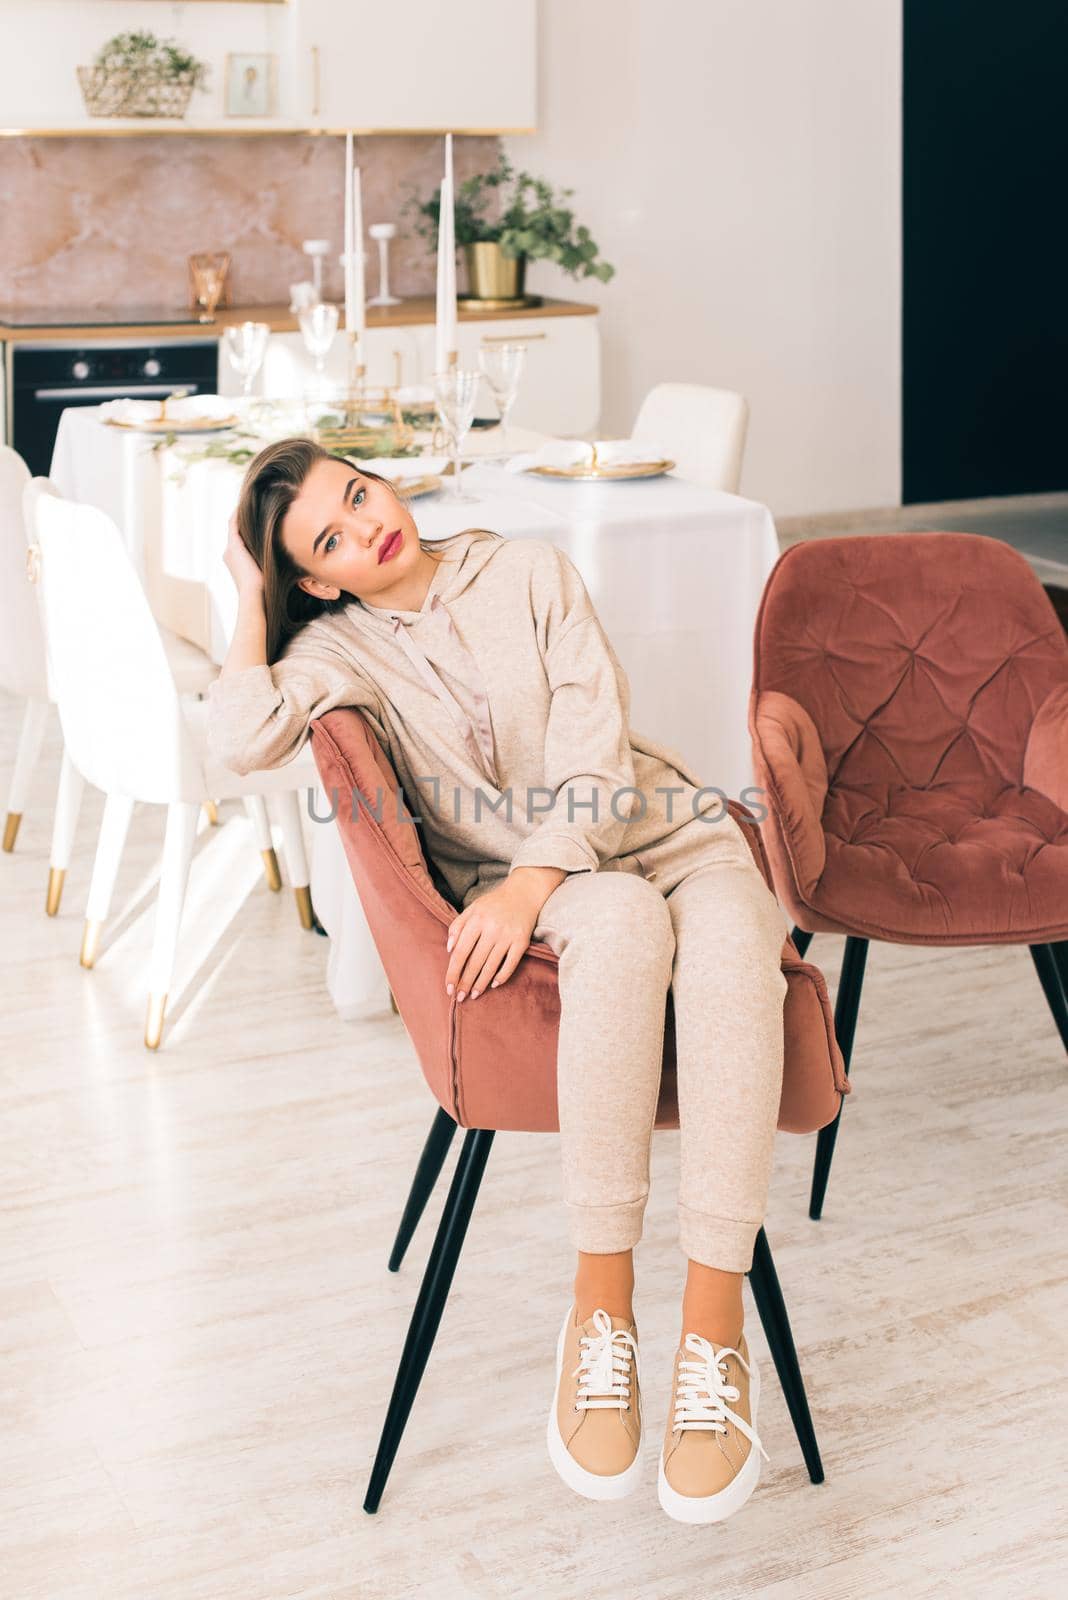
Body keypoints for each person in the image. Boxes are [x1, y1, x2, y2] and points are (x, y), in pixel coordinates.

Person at [207, 437, 789, 1525]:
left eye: (356, 489)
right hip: (562, 888)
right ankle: (600, 1313)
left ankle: (715, 1326)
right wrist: (251, 592)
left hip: (660, 829)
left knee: (728, 941)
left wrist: (528, 885)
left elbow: (593, 738)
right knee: (613, 922)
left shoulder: (529, 567)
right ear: (320, 578)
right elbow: (238, 736)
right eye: (328, 539)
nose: (364, 522)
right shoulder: (338, 650)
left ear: (385, 480)